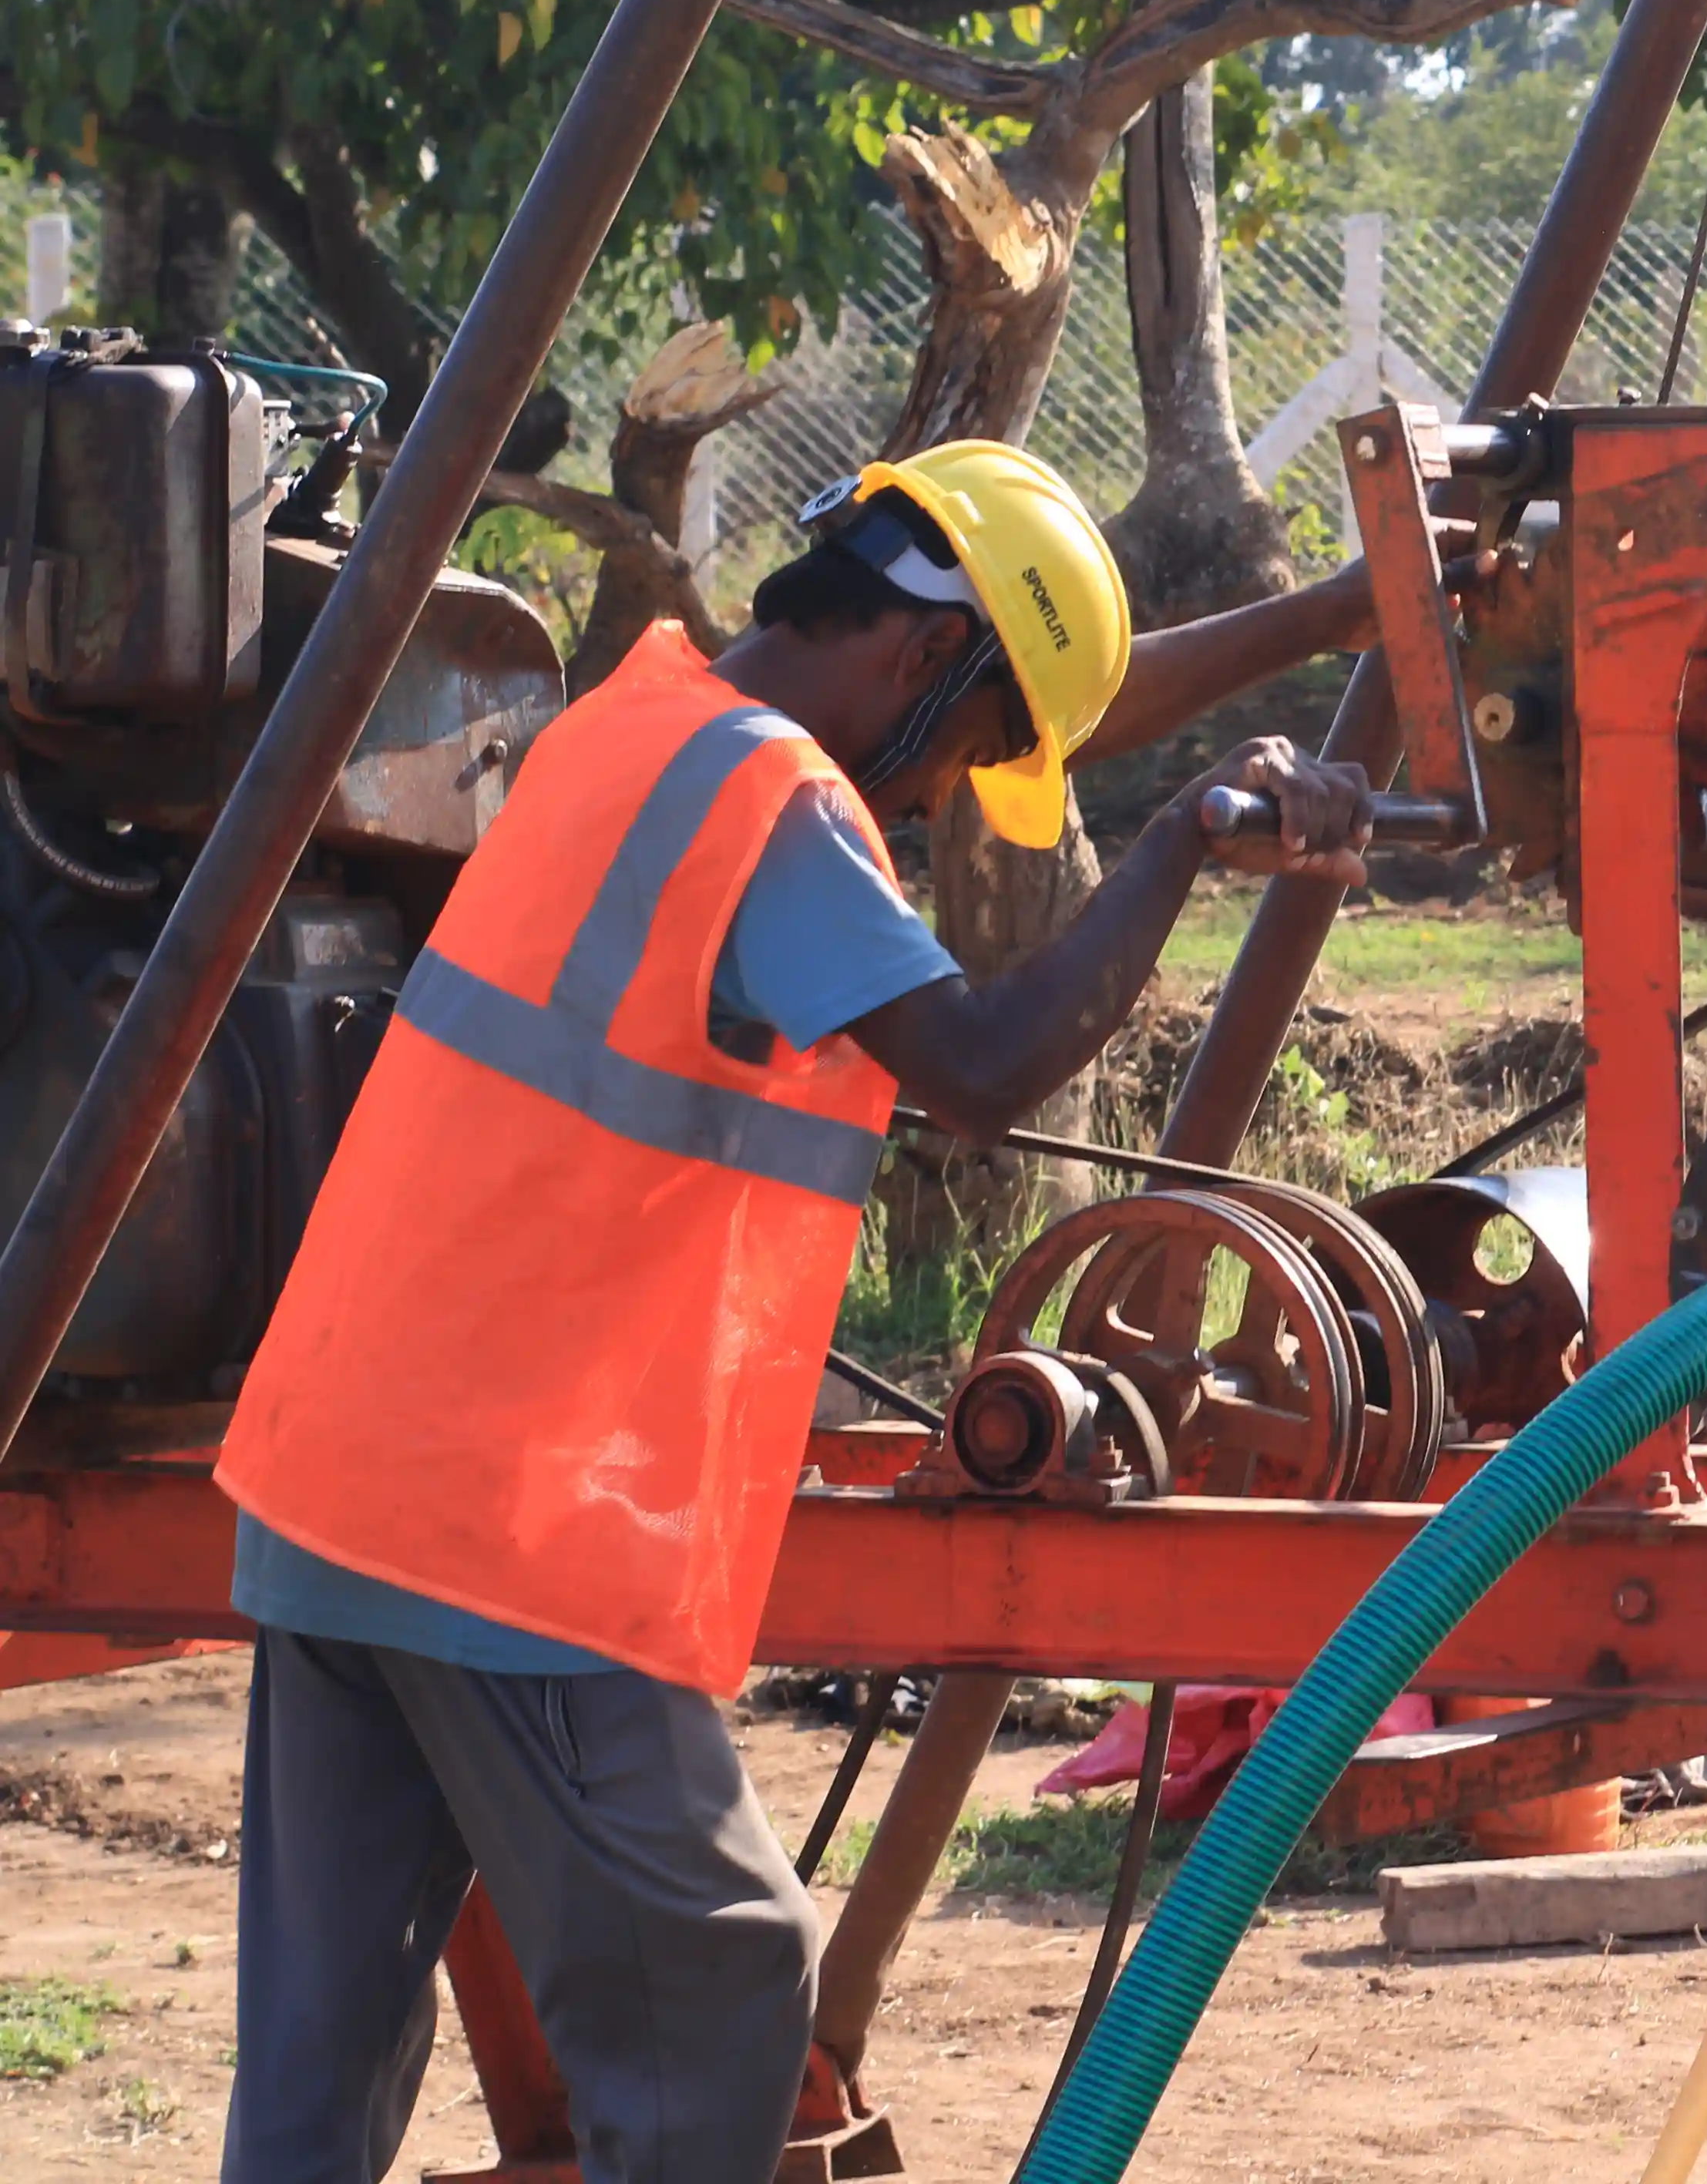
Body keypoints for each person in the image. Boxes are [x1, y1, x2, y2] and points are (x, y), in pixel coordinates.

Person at [210, 442, 1386, 2183]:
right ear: (923, 661)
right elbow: (984, 1068)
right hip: (506, 1524)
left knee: (313, 2092)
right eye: (977, 752)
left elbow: (1065, 693)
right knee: (724, 1989)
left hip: (338, 1475)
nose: (940, 801)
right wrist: (1195, 841)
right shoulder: (775, 802)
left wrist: (1351, 611)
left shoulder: (635, 716)